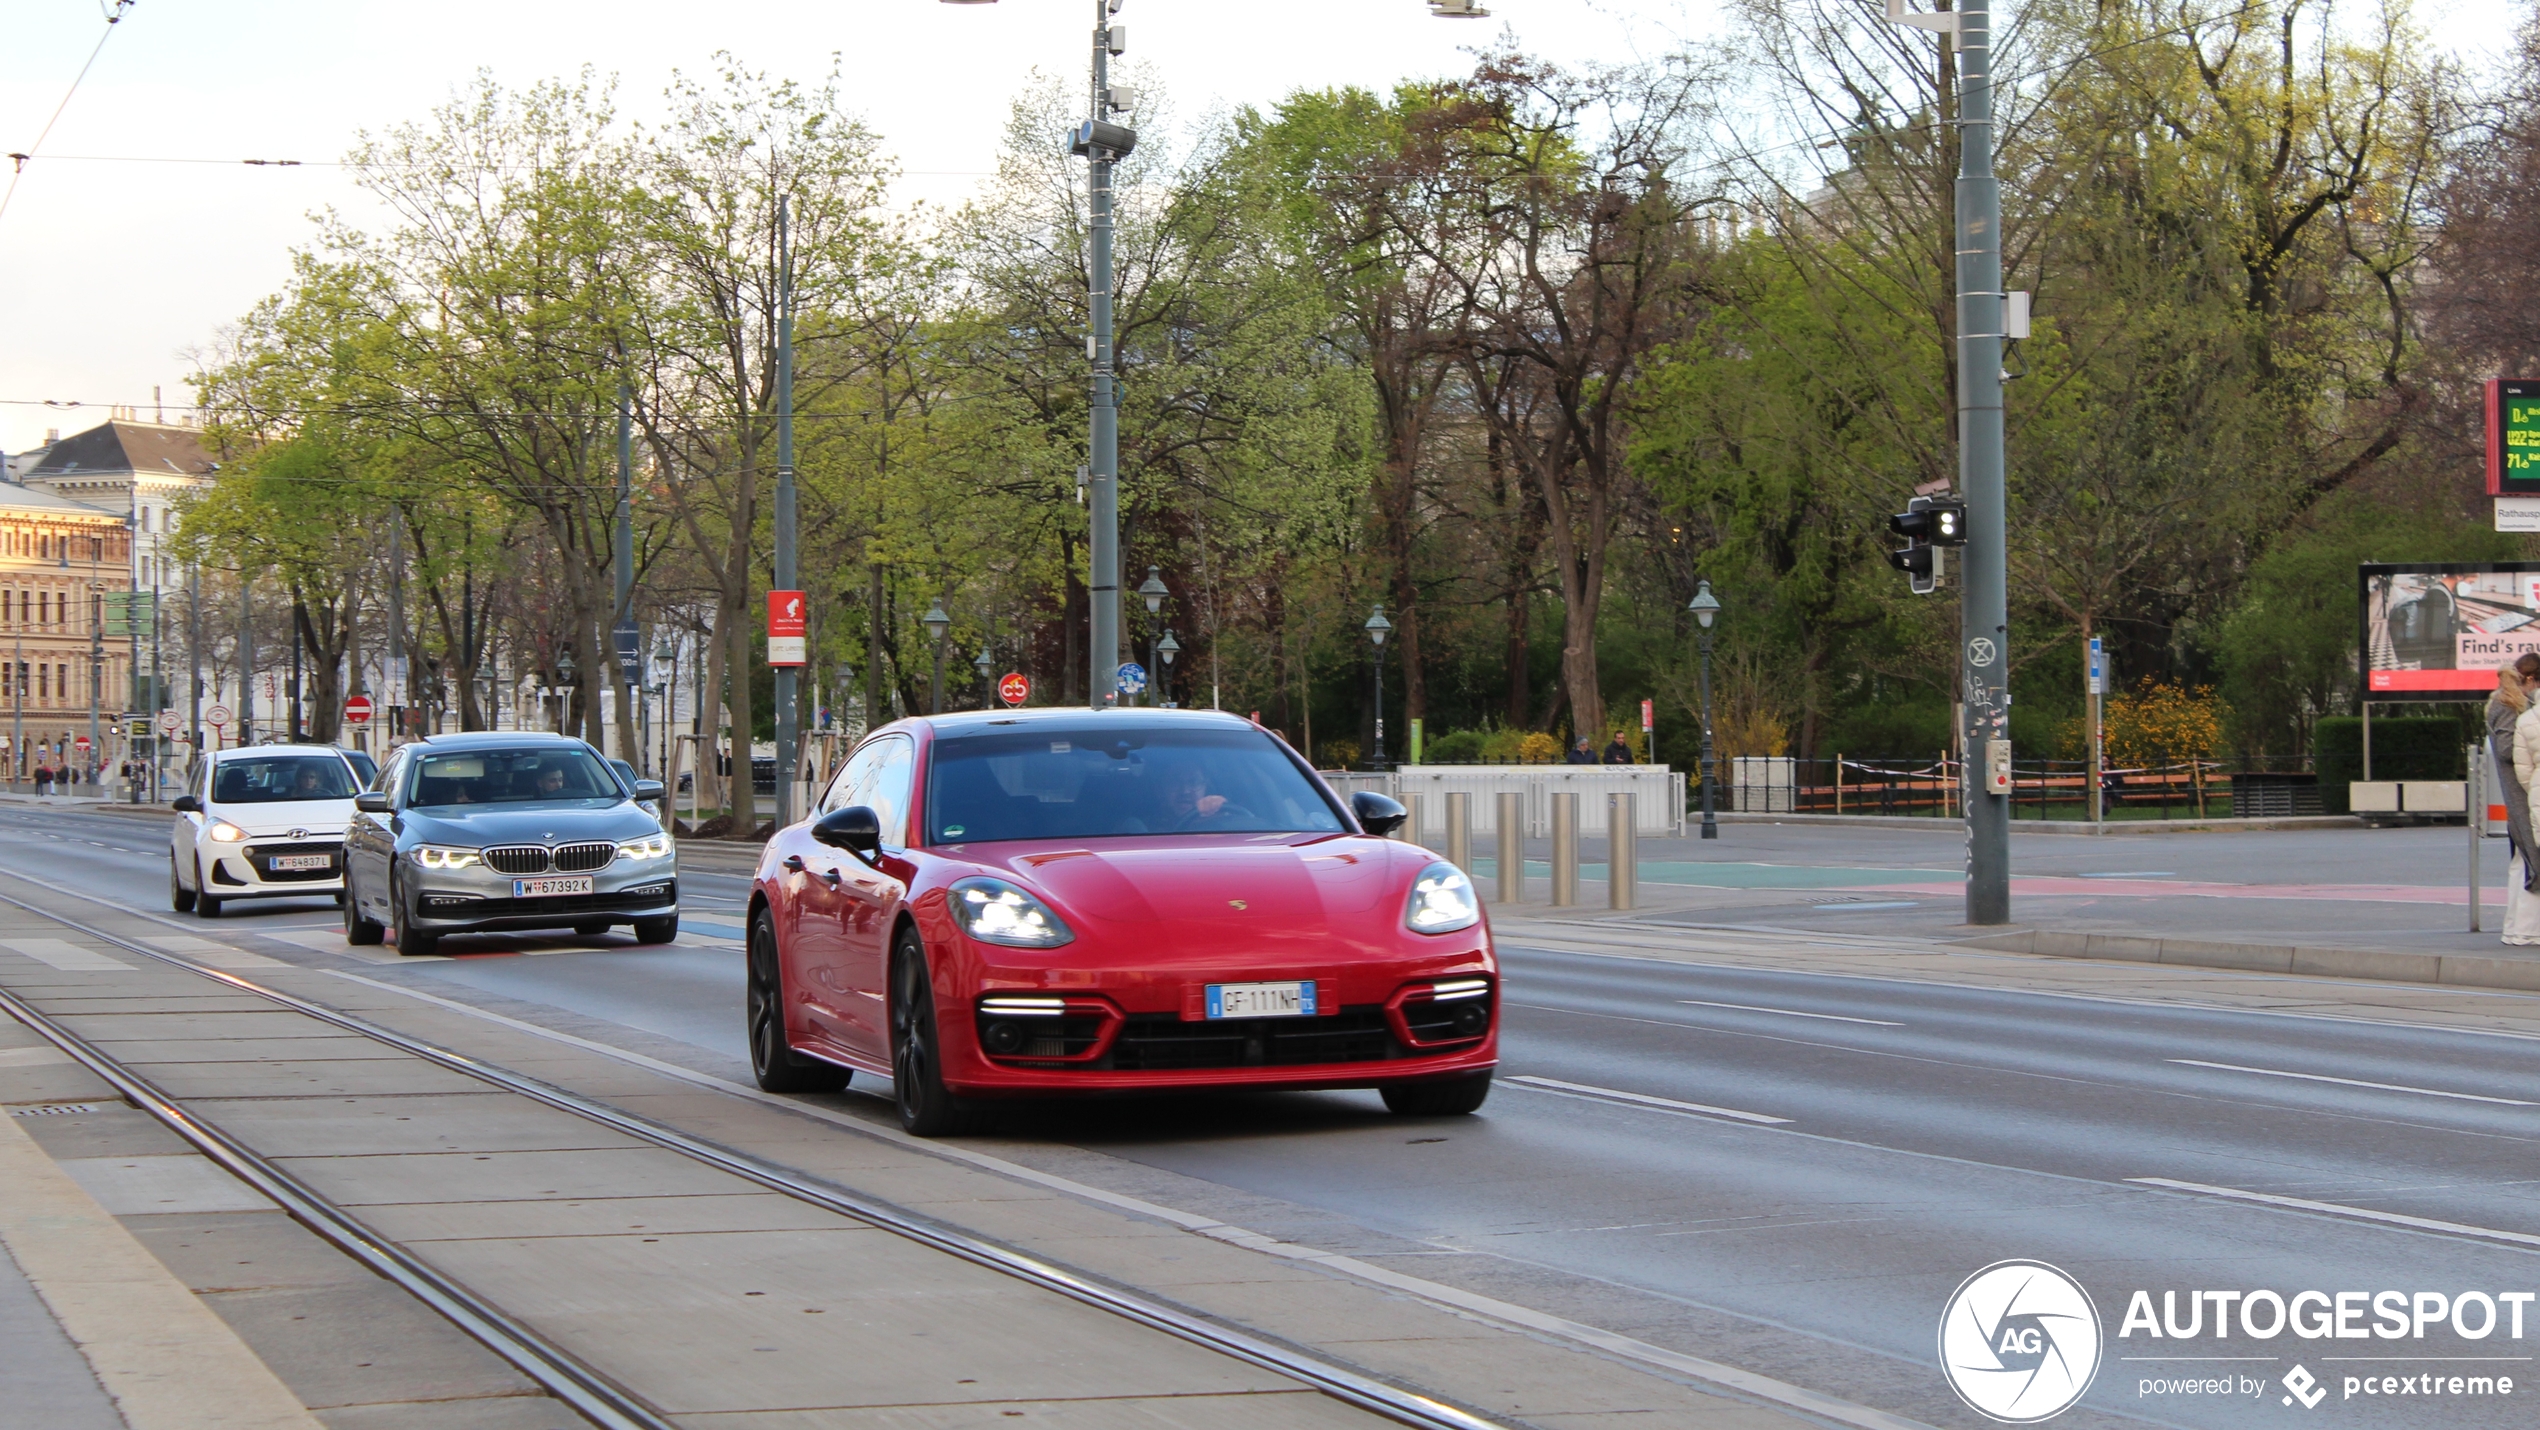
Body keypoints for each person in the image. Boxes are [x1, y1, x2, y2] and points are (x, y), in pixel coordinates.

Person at [2500, 656, 2540, 944]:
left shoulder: (2526, 719)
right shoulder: (2512, 709)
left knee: (2526, 861)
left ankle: (2520, 931)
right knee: (2527, 862)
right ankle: (2523, 931)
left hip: (2534, 795)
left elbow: (2522, 768)